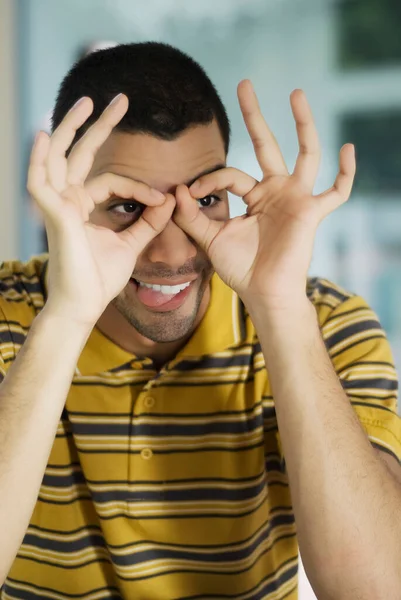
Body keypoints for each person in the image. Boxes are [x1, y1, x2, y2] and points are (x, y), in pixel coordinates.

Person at [0, 42, 400, 600]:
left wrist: (280, 309)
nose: (170, 251)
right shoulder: (8, 314)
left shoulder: (328, 324)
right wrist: (67, 315)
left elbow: (376, 590)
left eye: (206, 199)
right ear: (66, 199)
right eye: (128, 205)